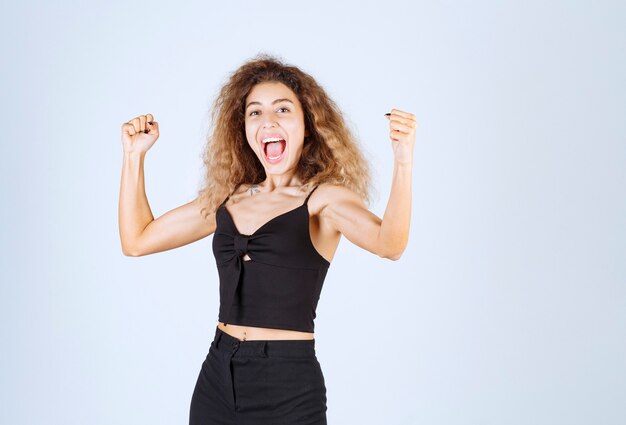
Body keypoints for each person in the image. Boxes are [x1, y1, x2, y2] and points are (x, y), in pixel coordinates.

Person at [118, 54, 416, 425]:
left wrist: (403, 162)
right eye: (254, 112)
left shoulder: (323, 199)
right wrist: (134, 157)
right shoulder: (228, 197)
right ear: (242, 127)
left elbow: (391, 244)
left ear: (308, 125)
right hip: (217, 376)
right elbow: (137, 240)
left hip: (287, 386)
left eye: (283, 110)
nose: (267, 121)